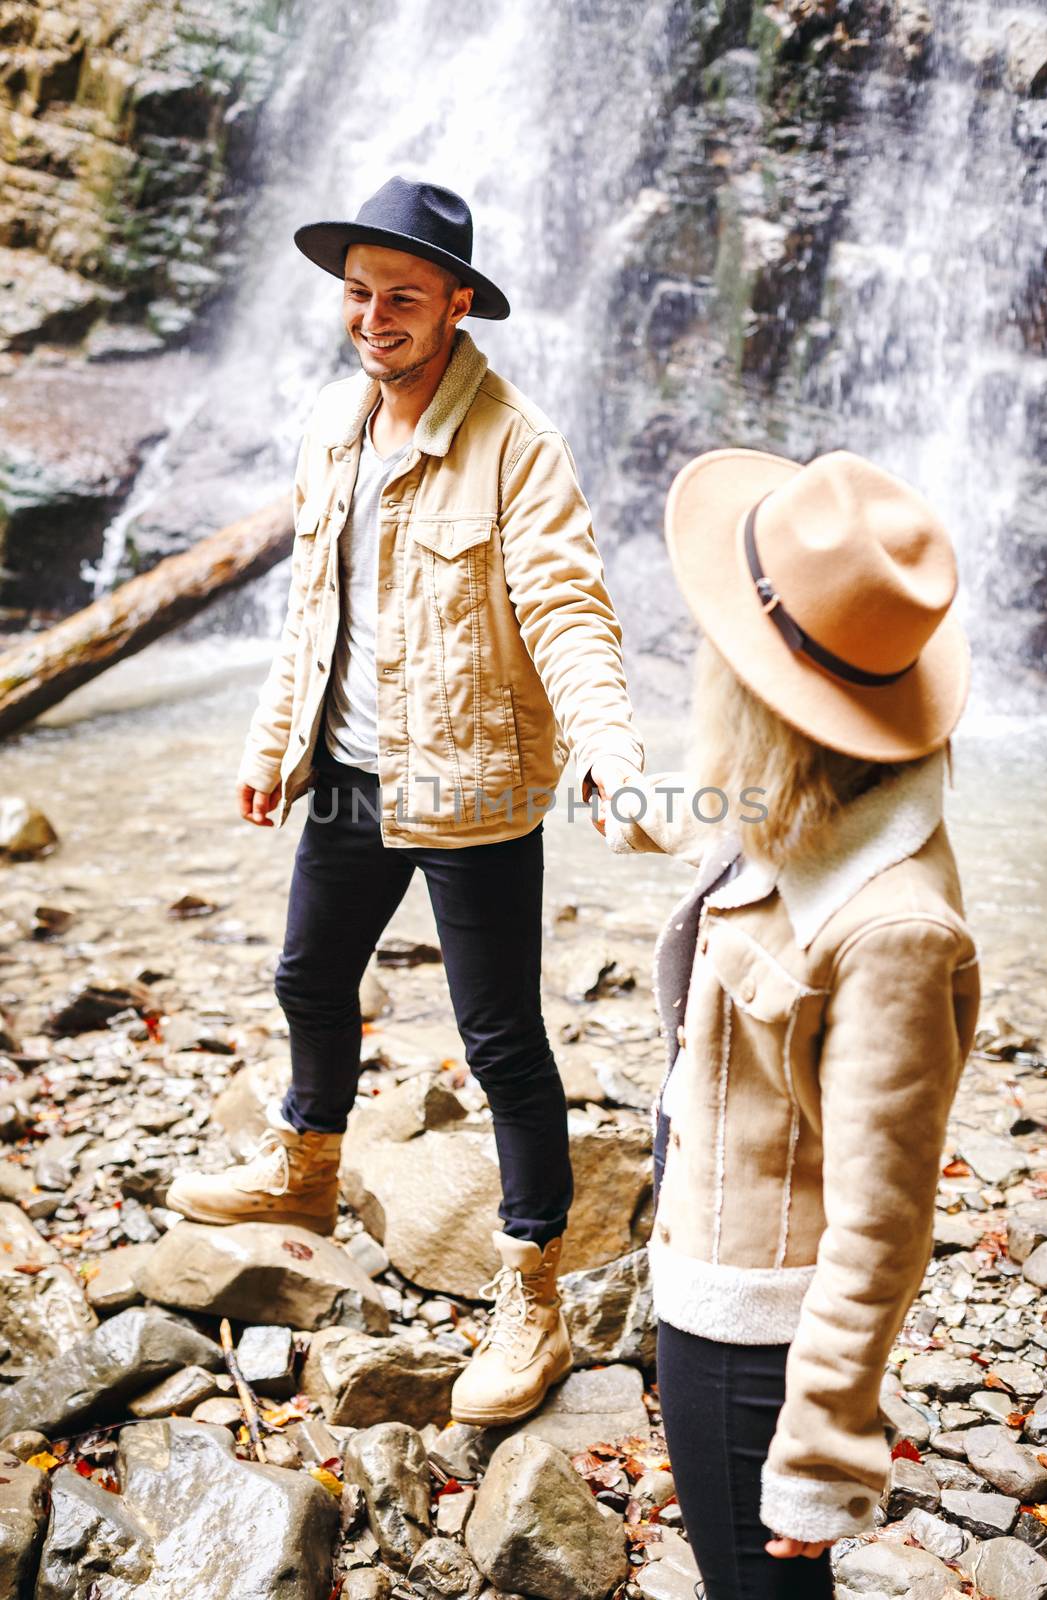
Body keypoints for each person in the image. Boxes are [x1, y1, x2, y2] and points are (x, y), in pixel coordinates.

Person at [165, 175, 644, 1426]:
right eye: (359, 293)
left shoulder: (517, 447)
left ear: (457, 306)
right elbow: (310, 613)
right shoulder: (338, 422)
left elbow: (566, 610)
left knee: (500, 1046)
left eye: (403, 298)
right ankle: (304, 1168)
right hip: (351, 775)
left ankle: (530, 1293)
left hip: (473, 788)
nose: (374, 316)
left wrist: (606, 750)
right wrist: (279, 742)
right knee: (306, 981)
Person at [605, 446, 980, 1598]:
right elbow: (731, 817)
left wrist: (819, 1455)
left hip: (752, 1327)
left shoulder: (895, 933)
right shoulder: (814, 789)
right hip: (703, 1241)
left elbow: (881, 1225)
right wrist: (617, 796)